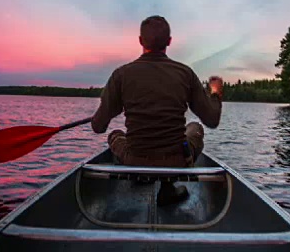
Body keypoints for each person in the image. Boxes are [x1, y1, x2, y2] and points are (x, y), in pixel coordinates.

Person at [91, 15, 223, 206]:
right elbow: (212, 119)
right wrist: (216, 94)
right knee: (195, 127)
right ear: (169, 42)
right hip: (177, 161)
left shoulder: (121, 74)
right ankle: (167, 188)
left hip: (134, 161)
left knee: (115, 134)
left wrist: (100, 115)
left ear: (140, 41)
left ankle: (139, 177)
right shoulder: (184, 73)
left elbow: (98, 127)